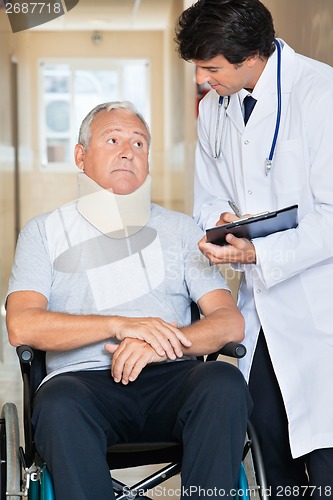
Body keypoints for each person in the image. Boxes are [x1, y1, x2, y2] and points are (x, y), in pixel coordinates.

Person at [6, 101, 252, 500]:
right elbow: (22, 324)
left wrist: (156, 345)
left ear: (148, 161)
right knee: (57, 404)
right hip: (82, 385)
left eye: (139, 143)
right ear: (80, 156)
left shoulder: (180, 229)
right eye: (113, 140)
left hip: (171, 378)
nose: (127, 151)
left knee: (223, 381)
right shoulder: (44, 232)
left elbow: (228, 321)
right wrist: (120, 325)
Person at [175, 0, 333, 498]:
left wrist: (258, 254)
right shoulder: (214, 108)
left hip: (317, 301)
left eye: (212, 68)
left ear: (251, 57)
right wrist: (220, 220)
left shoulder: (319, 93)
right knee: (268, 439)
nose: (202, 79)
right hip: (261, 308)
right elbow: (208, 196)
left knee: (326, 456)